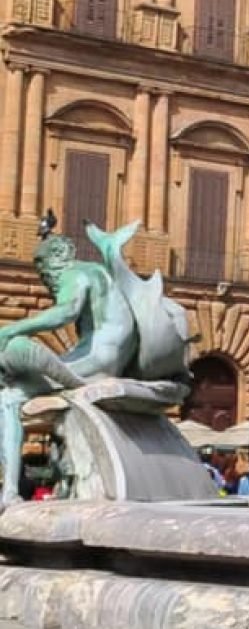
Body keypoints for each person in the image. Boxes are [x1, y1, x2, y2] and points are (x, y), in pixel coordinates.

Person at [0, 213, 192, 505]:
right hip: (107, 358)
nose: (42, 274)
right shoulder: (96, 272)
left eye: (42, 264)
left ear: (61, 254)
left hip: (96, 361)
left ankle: (10, 491)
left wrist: (12, 329)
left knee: (9, 397)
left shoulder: (74, 274)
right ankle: (59, 480)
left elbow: (67, 311)